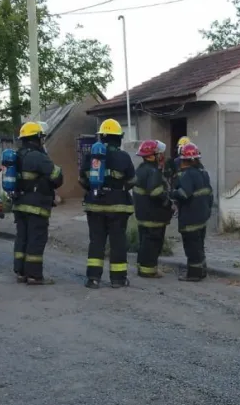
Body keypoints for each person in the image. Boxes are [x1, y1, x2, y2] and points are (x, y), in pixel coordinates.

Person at [79, 118, 136, 289]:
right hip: (118, 207)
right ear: (118, 138)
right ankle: (118, 279)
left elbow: (81, 179)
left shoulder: (90, 156)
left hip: (94, 205)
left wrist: (94, 188)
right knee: (118, 242)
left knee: (96, 242)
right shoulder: (123, 157)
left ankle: (93, 279)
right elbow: (132, 180)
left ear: (101, 137)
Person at [12, 121, 64, 285]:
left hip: (19, 204)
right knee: (36, 239)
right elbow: (57, 178)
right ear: (37, 138)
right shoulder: (38, 157)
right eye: (41, 137)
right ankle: (34, 275)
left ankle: (21, 273)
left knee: (22, 238)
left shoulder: (16, 156)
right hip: (36, 206)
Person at [169, 143, 213, 282]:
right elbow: (209, 194)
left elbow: (184, 194)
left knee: (191, 248)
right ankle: (202, 271)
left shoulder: (188, 174)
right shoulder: (204, 173)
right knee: (199, 245)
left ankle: (194, 274)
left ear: (185, 160)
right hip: (202, 217)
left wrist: (172, 193)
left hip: (190, 218)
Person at [132, 139, 172, 278]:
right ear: (152, 156)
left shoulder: (141, 169)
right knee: (153, 243)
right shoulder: (153, 171)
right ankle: (149, 271)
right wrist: (167, 202)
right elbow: (155, 192)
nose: (162, 156)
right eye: (159, 153)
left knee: (144, 242)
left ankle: (142, 267)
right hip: (153, 215)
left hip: (143, 214)